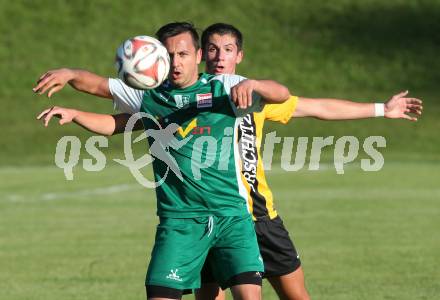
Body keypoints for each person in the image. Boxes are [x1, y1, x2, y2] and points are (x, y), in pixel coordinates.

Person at [35, 22, 422, 300]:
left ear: (238, 55)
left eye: (228, 50)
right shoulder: (175, 94)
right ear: (203, 56)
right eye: (213, 49)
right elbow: (112, 107)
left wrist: (380, 109)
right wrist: (72, 82)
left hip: (255, 214)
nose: (220, 57)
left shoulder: (246, 94)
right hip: (199, 215)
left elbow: (314, 105)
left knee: (294, 294)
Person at [34, 22, 292, 300]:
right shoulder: (148, 94)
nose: (175, 62)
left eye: (182, 54)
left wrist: (253, 84)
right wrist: (71, 80)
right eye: (168, 55)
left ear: (198, 55)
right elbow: (100, 93)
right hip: (179, 223)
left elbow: (281, 94)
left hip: (231, 218)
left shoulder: (223, 87)